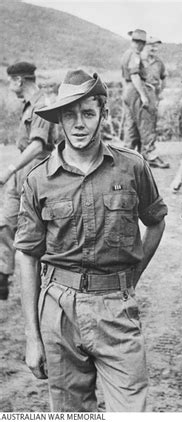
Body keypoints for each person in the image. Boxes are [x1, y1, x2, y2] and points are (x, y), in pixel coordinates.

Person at [14, 70, 168, 411]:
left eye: (88, 113)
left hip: (116, 307)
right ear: (59, 121)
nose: (79, 124)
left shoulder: (132, 167)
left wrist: (132, 277)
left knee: (130, 411)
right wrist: (32, 336)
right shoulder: (39, 180)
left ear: (103, 114)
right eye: (70, 115)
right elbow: (27, 255)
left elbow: (156, 222)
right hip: (58, 312)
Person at [0, 62, 58, 300]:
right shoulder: (29, 106)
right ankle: (3, 278)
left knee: (33, 231)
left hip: (35, 173)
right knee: (5, 223)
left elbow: (36, 146)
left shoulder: (41, 105)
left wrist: (9, 169)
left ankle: (42, 287)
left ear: (19, 81)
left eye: (11, 81)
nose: (10, 86)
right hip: (20, 174)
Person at [121, 28, 169, 168]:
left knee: (131, 124)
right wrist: (143, 95)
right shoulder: (134, 55)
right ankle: (150, 155)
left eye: (141, 42)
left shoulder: (128, 54)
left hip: (132, 90)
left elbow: (126, 77)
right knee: (146, 122)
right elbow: (135, 76)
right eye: (138, 42)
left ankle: (127, 155)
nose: (139, 45)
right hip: (139, 90)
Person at [144, 36, 167, 111]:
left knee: (153, 115)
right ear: (145, 46)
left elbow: (164, 77)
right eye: (152, 46)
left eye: (156, 47)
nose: (154, 49)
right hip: (142, 93)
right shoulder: (140, 60)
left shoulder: (159, 62)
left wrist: (160, 92)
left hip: (154, 93)